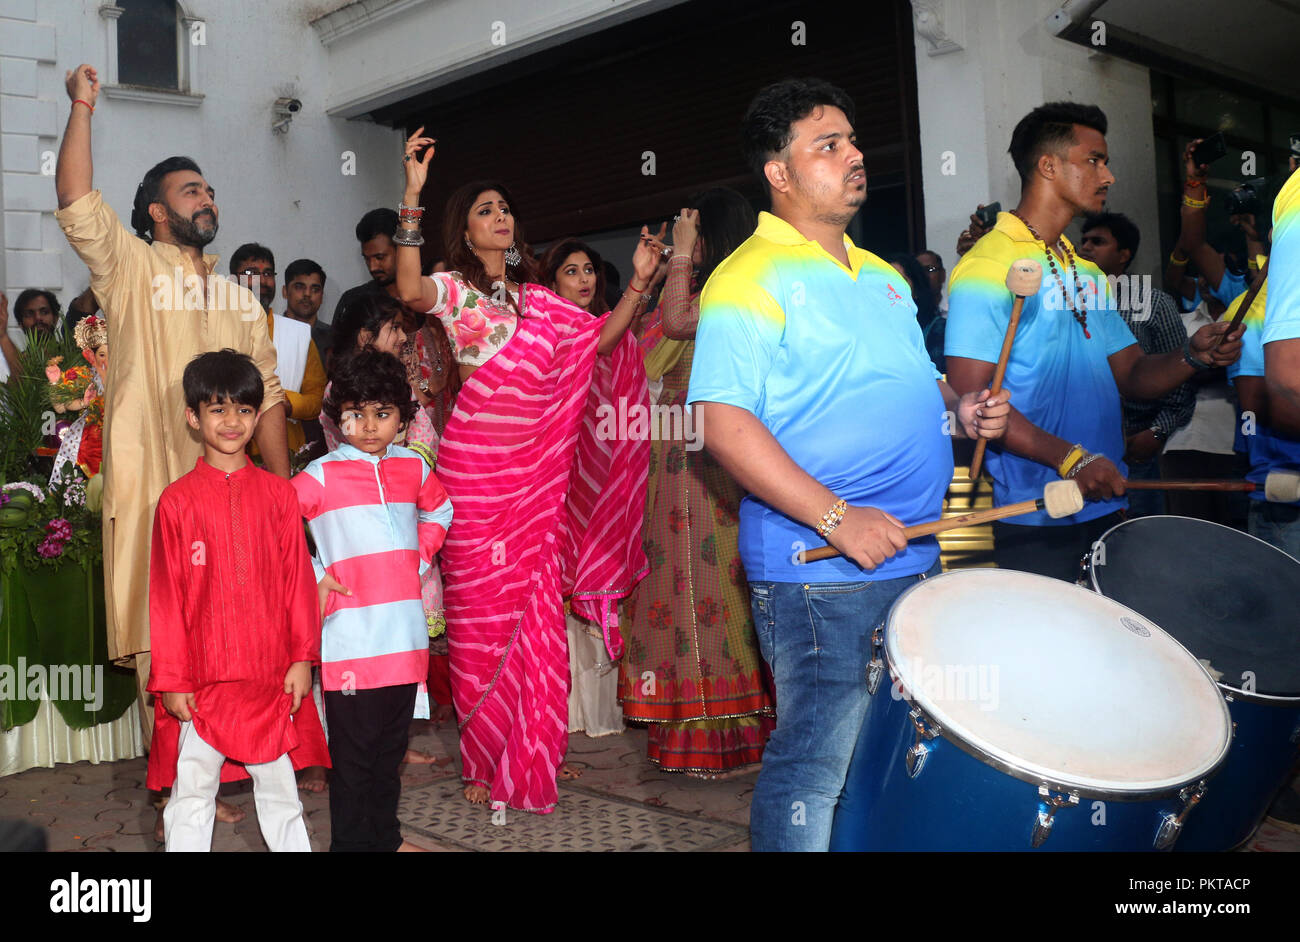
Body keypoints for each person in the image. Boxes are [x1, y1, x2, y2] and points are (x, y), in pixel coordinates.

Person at [688, 78, 1011, 851]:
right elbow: (720, 426)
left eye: (854, 140)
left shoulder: (884, 276)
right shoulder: (745, 277)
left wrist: (960, 413)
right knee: (816, 762)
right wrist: (839, 516)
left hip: (916, 549)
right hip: (820, 567)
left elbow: (915, 384)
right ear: (779, 171)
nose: (855, 154)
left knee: (896, 755)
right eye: (827, 145)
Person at [54, 64, 288, 835]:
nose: (208, 200)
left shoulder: (239, 300)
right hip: (158, 489)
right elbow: (77, 203)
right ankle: (179, 788)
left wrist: (286, 497)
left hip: (237, 495)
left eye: (212, 190)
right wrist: (84, 106)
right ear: (158, 212)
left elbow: (271, 397)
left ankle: (221, 771)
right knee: (171, 637)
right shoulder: (131, 268)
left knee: (241, 628)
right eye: (192, 191)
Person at [397, 130, 654, 812]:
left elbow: (597, 341)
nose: (499, 216)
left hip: (537, 480)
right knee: (482, 621)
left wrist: (643, 281)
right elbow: (405, 285)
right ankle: (484, 760)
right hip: (478, 479)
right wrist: (412, 200)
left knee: (536, 614)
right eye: (484, 209)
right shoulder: (453, 292)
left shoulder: (540, 301)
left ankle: (533, 748)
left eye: (504, 207)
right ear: (464, 228)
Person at [945, 102, 1241, 581]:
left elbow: (1131, 374)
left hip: (1104, 498)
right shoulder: (987, 264)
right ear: (1048, 166)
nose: (1109, 176)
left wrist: (1193, 355)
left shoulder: (1084, 272)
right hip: (1037, 513)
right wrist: (1070, 458)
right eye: (1094, 160)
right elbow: (973, 401)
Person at [610, 191, 779, 777]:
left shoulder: (735, 289)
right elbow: (634, 353)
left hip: (713, 450)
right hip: (674, 449)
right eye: (689, 237)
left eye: (697, 234)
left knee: (713, 579)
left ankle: (732, 728)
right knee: (676, 582)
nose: (690, 243)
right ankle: (692, 729)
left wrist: (679, 259)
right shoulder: (690, 290)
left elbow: (683, 322)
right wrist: (652, 276)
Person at [146, 350, 327, 852]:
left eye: (244, 410)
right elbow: (167, 599)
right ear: (193, 416)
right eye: (217, 409)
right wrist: (175, 681)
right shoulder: (177, 501)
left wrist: (300, 660)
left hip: (269, 676)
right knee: (192, 790)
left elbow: (297, 584)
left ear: (257, 416)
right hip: (203, 681)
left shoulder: (278, 496)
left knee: (281, 791)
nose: (231, 421)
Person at [295, 350, 453, 852]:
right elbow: (276, 526)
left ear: (404, 420)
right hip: (350, 646)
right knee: (354, 763)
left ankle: (386, 841)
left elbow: (442, 509)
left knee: (389, 757)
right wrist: (314, 576)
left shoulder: (412, 467)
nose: (368, 426)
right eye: (355, 414)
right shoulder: (320, 473)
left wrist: (418, 556)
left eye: (382, 414)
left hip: (404, 643)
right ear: (336, 418)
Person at [1078, 212, 1194, 516]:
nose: (1085, 247)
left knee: (1135, 541)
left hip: (1136, 449)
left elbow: (1180, 376)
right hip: (1078, 449)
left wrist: (1156, 432)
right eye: (1084, 241)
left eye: (1098, 242)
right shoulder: (1066, 303)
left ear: (1123, 255)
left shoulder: (1153, 304)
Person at [337, 208, 458, 435]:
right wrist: (427, 388)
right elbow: (343, 374)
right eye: (367, 259)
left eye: (380, 257)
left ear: (402, 251)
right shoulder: (358, 304)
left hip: (447, 430)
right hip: (384, 438)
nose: (373, 267)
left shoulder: (429, 297)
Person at [229, 244, 325, 460]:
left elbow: (319, 398)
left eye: (267, 273)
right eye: (251, 273)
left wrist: (289, 404)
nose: (262, 280)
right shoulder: (219, 328)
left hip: (285, 452)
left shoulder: (298, 333)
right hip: (231, 452)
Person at [888, 252, 945, 372]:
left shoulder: (939, 329)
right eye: (886, 281)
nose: (891, 288)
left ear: (916, 290)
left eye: (899, 280)